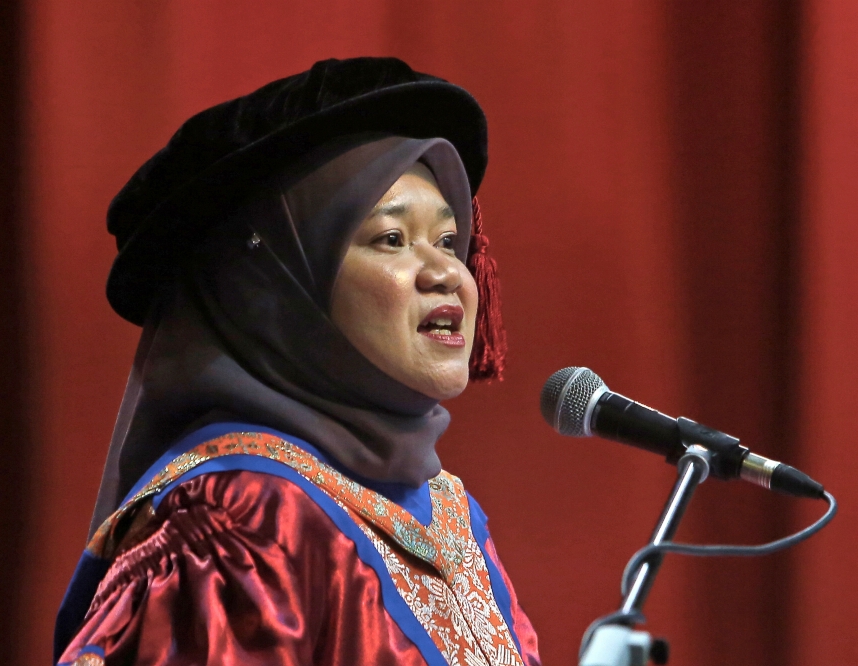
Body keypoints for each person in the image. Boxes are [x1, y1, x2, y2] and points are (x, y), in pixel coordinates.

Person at [53, 57, 539, 666]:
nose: (447, 273)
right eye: (391, 239)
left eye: (447, 242)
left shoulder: (447, 510)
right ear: (284, 289)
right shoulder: (239, 514)